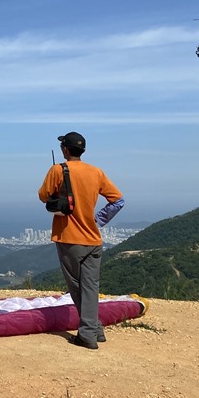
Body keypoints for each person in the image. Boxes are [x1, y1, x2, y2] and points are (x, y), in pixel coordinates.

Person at [38, 131, 125, 350]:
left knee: (77, 287)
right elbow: (118, 200)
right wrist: (97, 220)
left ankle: (88, 334)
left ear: (64, 149)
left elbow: (43, 195)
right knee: (90, 287)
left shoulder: (58, 169)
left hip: (69, 238)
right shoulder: (96, 172)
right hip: (93, 239)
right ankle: (95, 329)